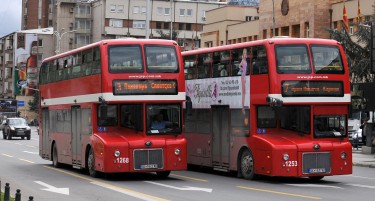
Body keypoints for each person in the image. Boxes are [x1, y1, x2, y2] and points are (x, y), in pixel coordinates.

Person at [239, 48, 247, 114]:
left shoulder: (245, 60)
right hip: (243, 76)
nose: (245, 55)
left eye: (246, 54)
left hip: (244, 76)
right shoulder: (243, 61)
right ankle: (242, 107)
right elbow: (239, 66)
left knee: (244, 92)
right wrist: (242, 70)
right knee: (243, 92)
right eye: (244, 54)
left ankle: (243, 107)